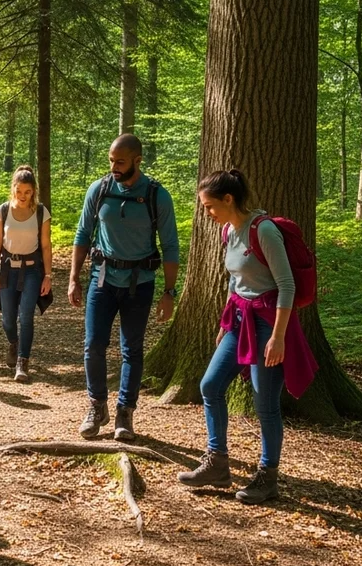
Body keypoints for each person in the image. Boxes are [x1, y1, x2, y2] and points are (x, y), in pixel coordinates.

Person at [176, 169, 318, 504]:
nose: (207, 213)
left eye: (210, 206)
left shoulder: (263, 230)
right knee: (210, 385)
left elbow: (287, 286)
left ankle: (268, 478)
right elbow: (233, 281)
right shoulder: (228, 230)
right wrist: (225, 324)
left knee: (264, 404)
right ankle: (217, 463)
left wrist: (279, 338)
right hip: (239, 321)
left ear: (229, 199)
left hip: (270, 323)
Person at [69, 134, 179, 442]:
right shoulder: (100, 189)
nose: (114, 167)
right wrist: (73, 277)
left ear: (137, 160)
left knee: (132, 349)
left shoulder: (158, 195)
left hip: (139, 284)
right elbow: (82, 234)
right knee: (93, 345)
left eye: (120, 161)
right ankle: (96, 406)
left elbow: (170, 246)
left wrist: (169, 292)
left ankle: (125, 413)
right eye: (111, 161)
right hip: (101, 280)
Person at [0, 165, 52, 383]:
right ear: (13, 189)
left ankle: (22, 362)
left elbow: (46, 246)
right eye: (19, 191)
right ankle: (13, 343)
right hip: (7, 269)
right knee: (7, 318)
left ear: (33, 190)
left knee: (26, 316)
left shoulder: (41, 212)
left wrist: (48, 275)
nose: (23, 196)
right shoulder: (3, 211)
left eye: (28, 191)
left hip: (33, 270)